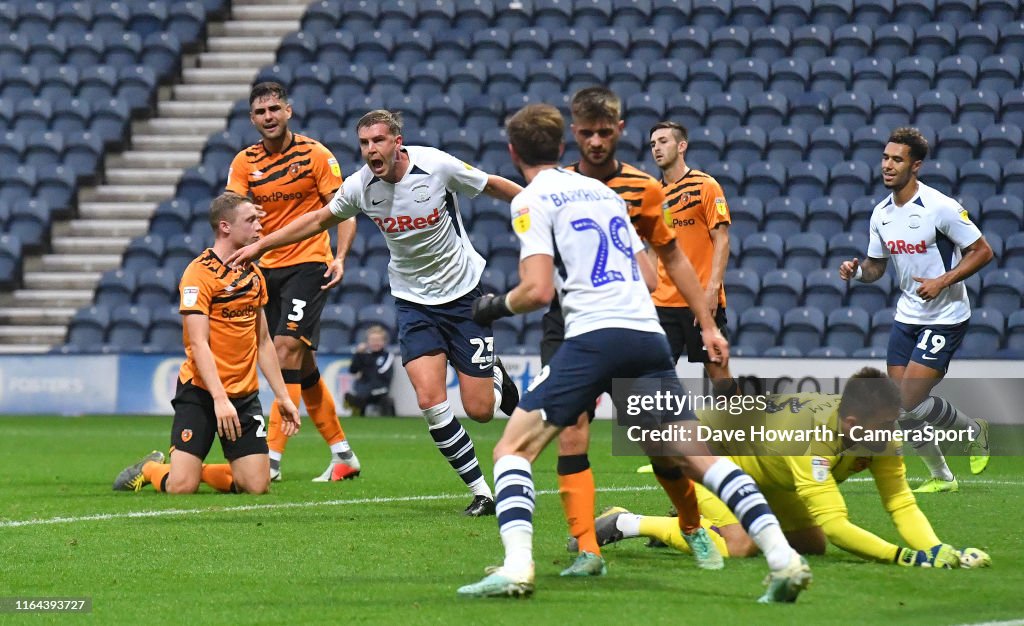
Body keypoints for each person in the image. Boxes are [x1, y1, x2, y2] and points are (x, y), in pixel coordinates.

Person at [457, 103, 811, 602]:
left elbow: (535, 292)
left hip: (592, 335)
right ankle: (782, 558)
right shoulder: (607, 194)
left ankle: (518, 566)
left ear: (513, 152)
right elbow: (649, 276)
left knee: (512, 449)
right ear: (563, 146)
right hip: (645, 335)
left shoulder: (531, 199)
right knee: (696, 455)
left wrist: (494, 306)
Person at [226, 109, 522, 517]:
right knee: (430, 401)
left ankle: (492, 373)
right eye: (364, 143)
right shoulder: (361, 187)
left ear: (397, 141)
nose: (370, 151)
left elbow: (491, 185)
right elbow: (317, 219)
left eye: (378, 141)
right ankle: (481, 491)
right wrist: (262, 246)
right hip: (413, 302)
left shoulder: (436, 166)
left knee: (480, 411)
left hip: (464, 297)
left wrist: (537, 204)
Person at [548, 87, 729, 574]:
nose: (596, 141)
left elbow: (672, 257)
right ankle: (586, 547)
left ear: (617, 131)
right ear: (574, 132)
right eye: (586, 132)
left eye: (605, 132)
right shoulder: (555, 185)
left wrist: (709, 312)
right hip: (571, 322)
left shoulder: (650, 189)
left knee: (661, 436)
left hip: (632, 321)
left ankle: (694, 522)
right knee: (572, 430)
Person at [576, 369, 989, 569]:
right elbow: (836, 524)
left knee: (809, 545)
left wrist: (933, 549)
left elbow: (899, 501)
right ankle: (628, 522)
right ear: (852, 424)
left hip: (769, 472)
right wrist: (904, 558)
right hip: (712, 456)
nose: (893, 434)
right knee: (742, 546)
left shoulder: (881, 432)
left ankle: (694, 523)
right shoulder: (810, 439)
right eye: (884, 425)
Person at [838, 127, 993, 493]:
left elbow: (983, 250)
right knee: (900, 408)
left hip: (946, 316)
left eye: (897, 159)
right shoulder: (880, 214)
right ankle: (943, 478)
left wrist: (944, 280)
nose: (887, 166)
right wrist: (858, 272)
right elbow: (876, 267)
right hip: (907, 317)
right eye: (885, 158)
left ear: (916, 165)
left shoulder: (941, 207)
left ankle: (973, 430)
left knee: (907, 401)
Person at [113, 193, 301, 495]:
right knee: (181, 487)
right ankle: (151, 469)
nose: (259, 226)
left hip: (242, 395)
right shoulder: (198, 274)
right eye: (251, 220)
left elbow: (263, 342)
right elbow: (198, 344)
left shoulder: (254, 274)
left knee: (255, 486)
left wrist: (283, 398)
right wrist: (219, 399)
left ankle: (193, 468)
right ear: (225, 227)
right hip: (201, 392)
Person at [226, 81, 359, 483]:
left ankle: (272, 459)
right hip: (264, 269)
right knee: (303, 365)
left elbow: (344, 210)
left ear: (288, 111)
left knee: (284, 350)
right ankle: (344, 456)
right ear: (252, 119)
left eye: (274, 109)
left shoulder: (316, 155)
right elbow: (232, 212)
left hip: (308, 263)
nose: (268, 117)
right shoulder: (244, 162)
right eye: (260, 112)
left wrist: (339, 256)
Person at [344, 324, 395, 416]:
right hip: (364, 390)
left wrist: (364, 371)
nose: (375, 343)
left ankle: (357, 400)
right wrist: (358, 354)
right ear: (367, 342)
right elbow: (353, 370)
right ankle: (357, 402)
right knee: (359, 392)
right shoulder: (363, 355)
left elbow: (380, 374)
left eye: (378, 340)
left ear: (384, 342)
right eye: (372, 340)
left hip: (380, 390)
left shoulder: (388, 356)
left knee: (363, 394)